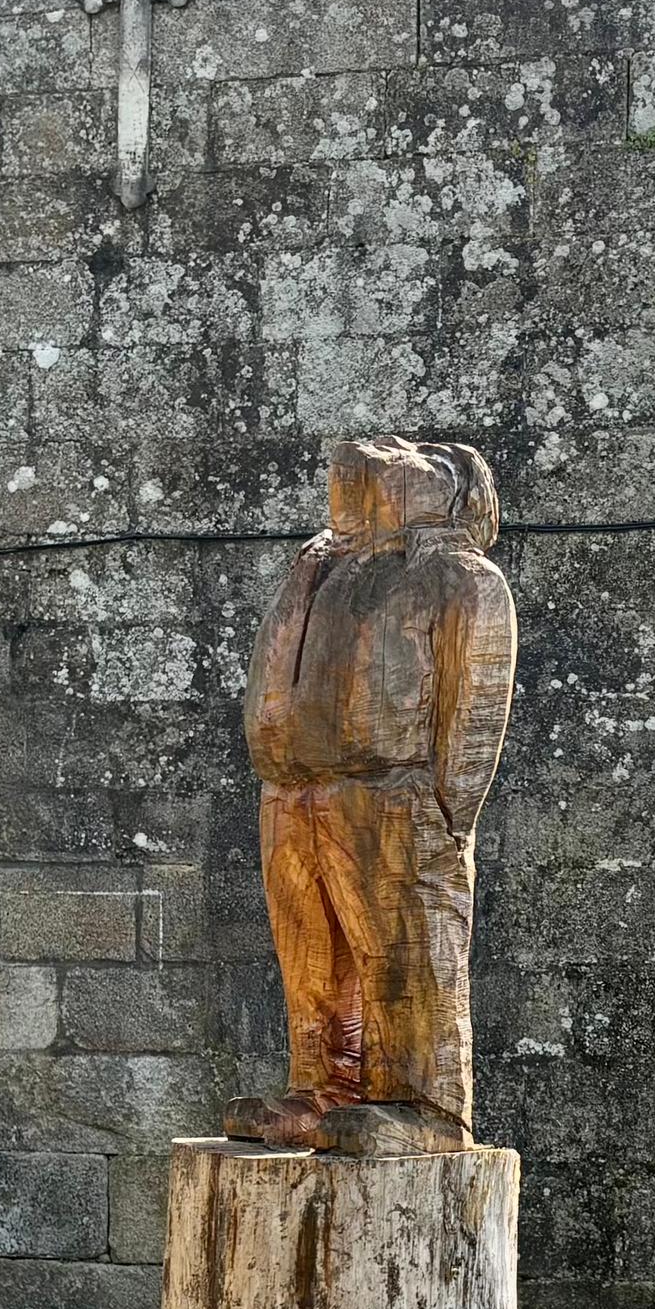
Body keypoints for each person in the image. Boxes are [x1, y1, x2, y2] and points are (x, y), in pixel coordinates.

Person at [220, 435, 516, 1155]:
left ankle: (425, 1103)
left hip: (393, 790)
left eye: (418, 455)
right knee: (313, 954)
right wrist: (309, 573)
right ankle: (323, 1086)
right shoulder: (323, 569)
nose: (384, 458)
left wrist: (446, 809)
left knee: (406, 950)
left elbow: (476, 700)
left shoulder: (456, 574)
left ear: (453, 492)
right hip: (297, 789)